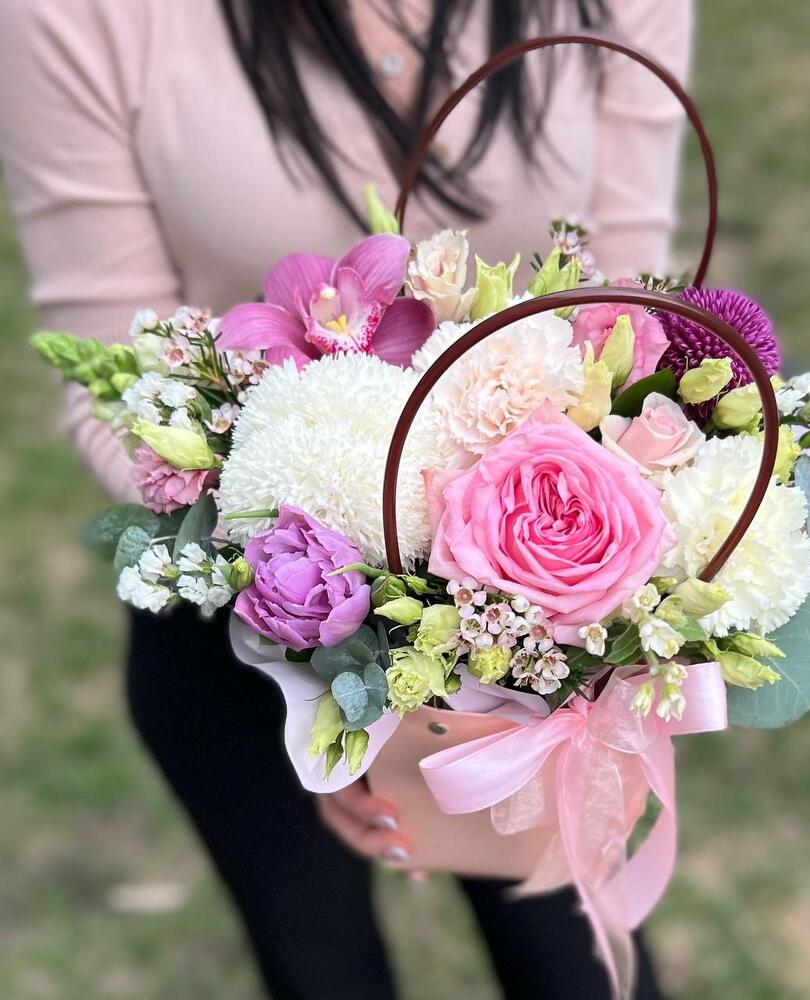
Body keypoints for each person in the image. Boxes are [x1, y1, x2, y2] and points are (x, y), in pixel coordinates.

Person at [0, 1, 692, 996]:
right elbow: (114, 381)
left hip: (539, 625)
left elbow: (629, 310)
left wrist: (562, 622)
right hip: (252, 614)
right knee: (319, 969)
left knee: (582, 972)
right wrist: (331, 650)